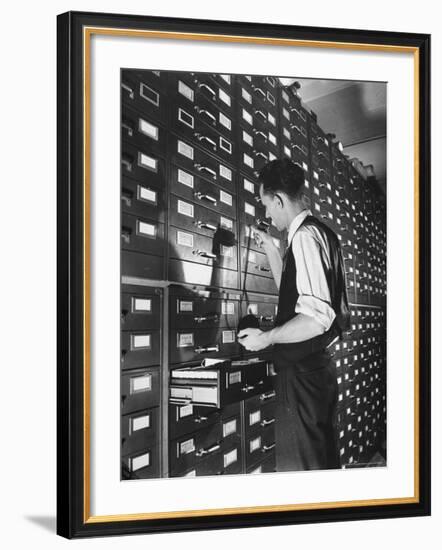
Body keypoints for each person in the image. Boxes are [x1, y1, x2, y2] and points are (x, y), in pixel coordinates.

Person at [237, 158, 350, 471]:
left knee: (301, 473)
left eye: (266, 205)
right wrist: (272, 250)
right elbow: (297, 293)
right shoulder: (322, 234)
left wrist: (267, 337)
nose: (267, 214)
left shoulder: (303, 238)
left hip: (301, 378)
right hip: (317, 372)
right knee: (320, 463)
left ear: (279, 199)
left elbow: (315, 317)